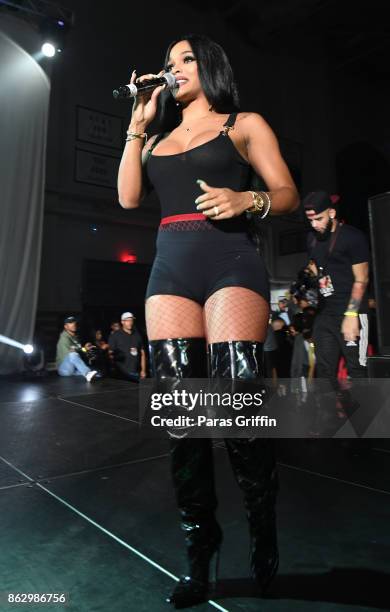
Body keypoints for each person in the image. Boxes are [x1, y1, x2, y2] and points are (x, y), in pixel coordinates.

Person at [117, 34, 298, 607]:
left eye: (186, 59)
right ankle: (200, 551)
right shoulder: (158, 137)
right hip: (170, 270)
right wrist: (138, 121)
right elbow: (126, 198)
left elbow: (287, 193)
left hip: (231, 264)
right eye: (169, 64)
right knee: (182, 419)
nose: (174, 70)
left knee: (238, 404)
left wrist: (251, 202)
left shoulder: (242, 123)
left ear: (211, 66)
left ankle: (262, 523)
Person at [303, 191, 370, 389]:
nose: (314, 225)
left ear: (331, 213)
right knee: (324, 373)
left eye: (319, 219)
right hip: (325, 313)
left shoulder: (352, 237)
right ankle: (330, 419)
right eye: (310, 220)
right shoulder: (311, 238)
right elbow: (317, 267)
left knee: (357, 371)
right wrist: (311, 274)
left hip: (352, 311)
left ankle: (367, 419)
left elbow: (362, 279)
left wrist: (351, 314)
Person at [56, 316, 102, 381]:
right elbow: (70, 356)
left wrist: (85, 349)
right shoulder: (64, 338)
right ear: (65, 326)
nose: (73, 324)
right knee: (73, 354)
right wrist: (83, 350)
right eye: (70, 323)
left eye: (74, 322)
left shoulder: (76, 338)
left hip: (73, 369)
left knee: (97, 373)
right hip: (64, 369)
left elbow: (78, 353)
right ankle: (87, 373)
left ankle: (89, 373)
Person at [108, 312, 147, 382]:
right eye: (128, 320)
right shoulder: (115, 336)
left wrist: (143, 370)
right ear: (122, 322)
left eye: (131, 320)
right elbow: (110, 353)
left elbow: (142, 353)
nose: (130, 322)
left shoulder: (137, 335)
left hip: (136, 373)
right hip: (121, 375)